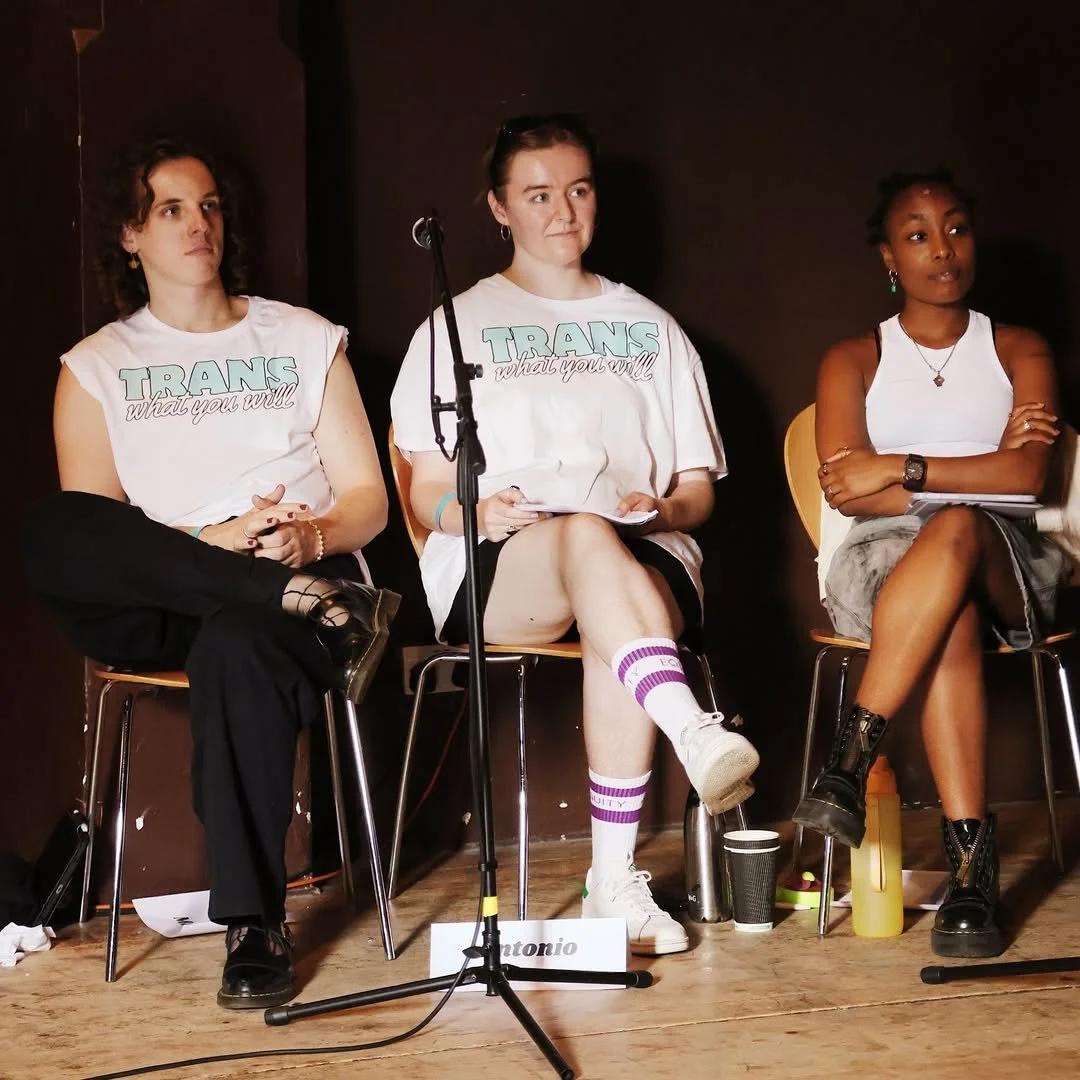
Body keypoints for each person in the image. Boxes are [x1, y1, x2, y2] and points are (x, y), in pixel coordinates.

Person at [21, 138, 399, 1008]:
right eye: (171, 209)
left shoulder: (303, 340)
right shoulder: (97, 367)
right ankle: (317, 605)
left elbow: (367, 502)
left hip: (291, 580)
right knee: (54, 527)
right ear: (130, 234)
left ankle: (253, 925)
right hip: (175, 594)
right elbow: (100, 533)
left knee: (238, 646)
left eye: (210, 207)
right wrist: (215, 542)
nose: (200, 225)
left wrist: (308, 546)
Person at [390, 114, 758, 957]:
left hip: (642, 554)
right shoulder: (456, 325)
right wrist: (471, 513)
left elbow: (697, 492)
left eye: (579, 190)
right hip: (504, 565)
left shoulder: (650, 327)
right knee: (584, 542)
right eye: (539, 194)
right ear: (498, 206)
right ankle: (687, 739)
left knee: (607, 593)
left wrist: (659, 510)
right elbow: (426, 491)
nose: (563, 211)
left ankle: (613, 884)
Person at [793, 170, 1071, 958]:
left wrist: (902, 467)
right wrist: (965, 470)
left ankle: (851, 758)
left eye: (955, 228)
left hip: (1008, 564)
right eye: (917, 235)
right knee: (948, 582)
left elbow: (1028, 480)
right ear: (889, 256)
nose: (941, 249)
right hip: (880, 573)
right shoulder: (852, 358)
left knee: (955, 532)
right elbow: (851, 496)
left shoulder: (1019, 348)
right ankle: (972, 878)